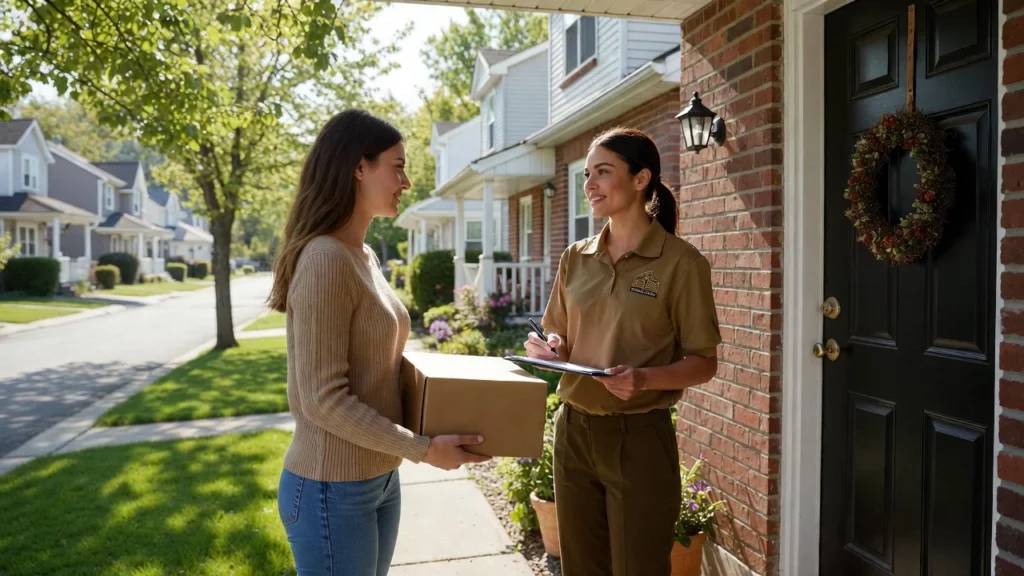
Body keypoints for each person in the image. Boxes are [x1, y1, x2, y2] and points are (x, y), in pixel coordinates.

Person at [268, 109, 490, 576]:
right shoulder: (326, 259)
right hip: (332, 487)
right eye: (398, 165)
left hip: (379, 477)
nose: (406, 180)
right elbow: (322, 399)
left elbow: (377, 361)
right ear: (358, 167)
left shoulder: (363, 255)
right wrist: (423, 447)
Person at [524, 127, 721, 576]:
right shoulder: (576, 257)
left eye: (602, 172)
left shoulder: (683, 263)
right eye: (587, 173)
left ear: (640, 179)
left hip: (639, 439)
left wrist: (644, 379)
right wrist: (549, 349)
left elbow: (704, 362)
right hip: (573, 430)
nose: (589, 184)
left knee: (639, 568)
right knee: (581, 566)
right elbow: (560, 338)